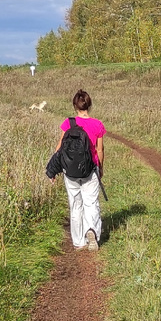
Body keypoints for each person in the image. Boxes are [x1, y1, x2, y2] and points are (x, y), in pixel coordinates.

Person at [46, 89, 105, 250]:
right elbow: (99, 150)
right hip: (90, 170)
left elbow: (60, 147)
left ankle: (78, 242)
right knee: (91, 203)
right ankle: (91, 230)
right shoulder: (97, 125)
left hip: (70, 172)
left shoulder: (68, 123)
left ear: (75, 106)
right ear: (89, 105)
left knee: (75, 205)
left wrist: (52, 170)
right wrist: (100, 168)